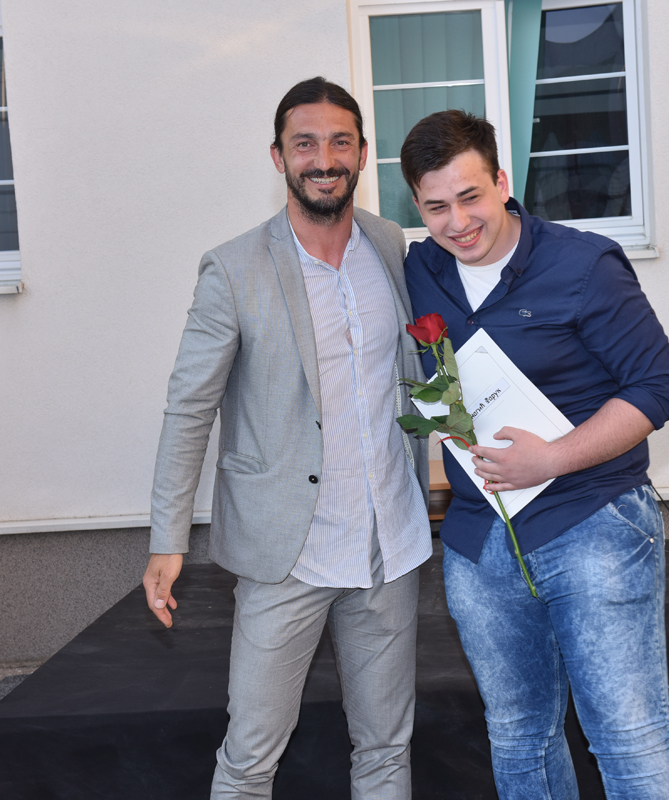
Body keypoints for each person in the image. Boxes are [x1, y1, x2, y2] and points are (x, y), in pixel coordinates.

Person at [142, 77, 432, 799]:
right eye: (305, 144)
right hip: (287, 554)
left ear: (361, 153)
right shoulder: (233, 268)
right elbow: (189, 407)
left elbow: (412, 374)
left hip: (389, 544)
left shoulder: (389, 245)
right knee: (249, 760)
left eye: (339, 142)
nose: (323, 159)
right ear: (278, 157)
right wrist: (167, 539)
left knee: (387, 750)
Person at [399, 110, 669, 800]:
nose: (457, 223)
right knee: (518, 737)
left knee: (628, 736)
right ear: (416, 206)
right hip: (479, 540)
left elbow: (659, 386)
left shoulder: (583, 264)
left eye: (470, 196)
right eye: (436, 207)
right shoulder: (418, 270)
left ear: (502, 182)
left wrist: (552, 458)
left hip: (591, 523)